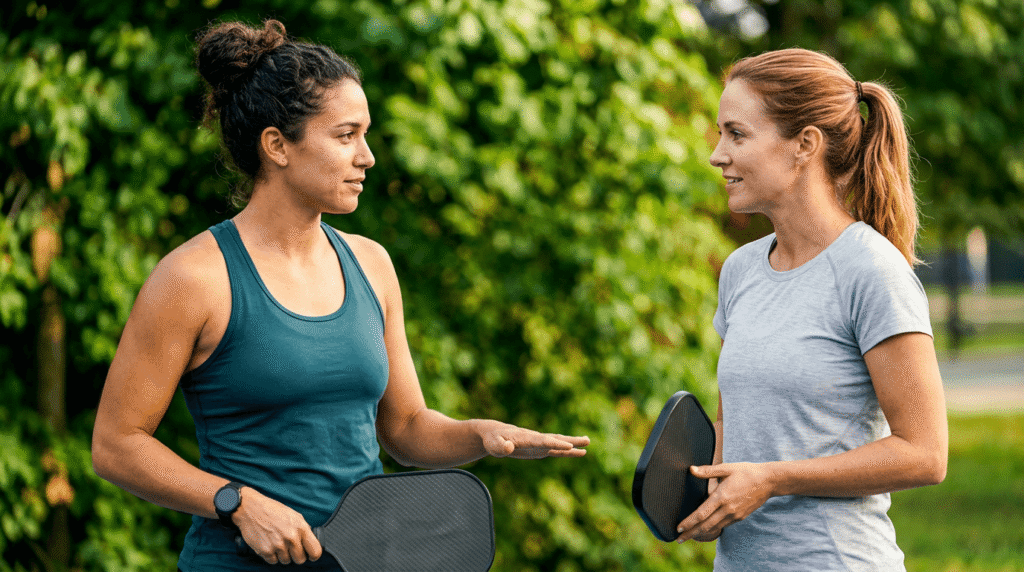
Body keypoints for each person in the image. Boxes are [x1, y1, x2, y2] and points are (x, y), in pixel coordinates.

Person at [91, 20, 589, 571]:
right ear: (277, 146)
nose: (367, 156)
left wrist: (480, 434)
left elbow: (404, 429)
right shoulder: (194, 278)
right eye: (346, 135)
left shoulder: (371, 264)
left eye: (365, 134)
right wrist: (234, 501)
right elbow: (117, 445)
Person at [673, 48, 947, 570]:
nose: (716, 154)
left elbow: (925, 454)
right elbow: (737, 428)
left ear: (805, 145)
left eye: (736, 133)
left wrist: (773, 479)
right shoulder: (741, 271)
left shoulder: (872, 271)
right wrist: (710, 500)